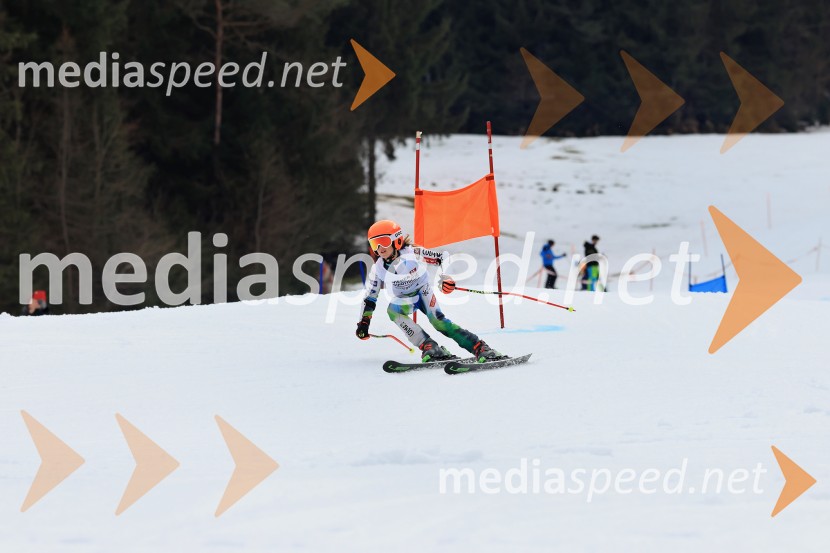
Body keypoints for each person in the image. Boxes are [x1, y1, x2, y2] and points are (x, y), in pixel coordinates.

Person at [356, 219, 503, 363]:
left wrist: (445, 278)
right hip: (405, 299)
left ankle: (480, 347)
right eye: (375, 243)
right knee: (393, 311)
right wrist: (364, 322)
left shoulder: (413, 252)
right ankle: (430, 347)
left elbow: (443, 258)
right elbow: (370, 297)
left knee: (438, 322)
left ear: (396, 240)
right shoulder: (378, 269)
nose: (380, 248)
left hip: (423, 292)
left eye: (384, 241)